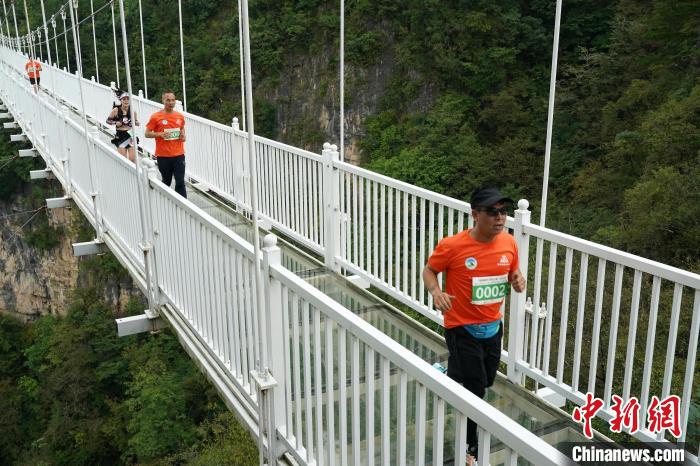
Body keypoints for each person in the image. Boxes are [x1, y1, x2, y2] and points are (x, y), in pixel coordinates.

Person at [422, 186, 526, 465]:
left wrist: (517, 279)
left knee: (488, 378)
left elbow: (513, 272)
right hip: (461, 326)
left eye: (503, 211)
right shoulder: (453, 246)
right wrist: (436, 292)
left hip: (493, 325)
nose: (500, 217)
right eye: (492, 212)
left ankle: (449, 372)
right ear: (475, 214)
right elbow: (429, 270)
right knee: (477, 388)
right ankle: (471, 448)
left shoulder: (509, 243)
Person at [145, 90, 187, 198]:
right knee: (166, 181)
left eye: (173, 100)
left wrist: (183, 136)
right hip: (163, 156)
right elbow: (147, 134)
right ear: (163, 101)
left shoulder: (179, 116)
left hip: (179, 155)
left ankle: (183, 206)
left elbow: (182, 129)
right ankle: (163, 201)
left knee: (180, 182)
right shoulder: (156, 117)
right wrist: (160, 134)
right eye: (168, 100)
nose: (171, 102)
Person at [106, 89, 139, 162]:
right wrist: (116, 123)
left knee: (132, 159)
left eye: (128, 99)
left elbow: (136, 121)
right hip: (120, 136)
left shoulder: (133, 111)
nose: (126, 101)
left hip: (130, 135)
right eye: (124, 99)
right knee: (123, 160)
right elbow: (108, 121)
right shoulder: (116, 110)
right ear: (121, 100)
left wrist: (136, 123)